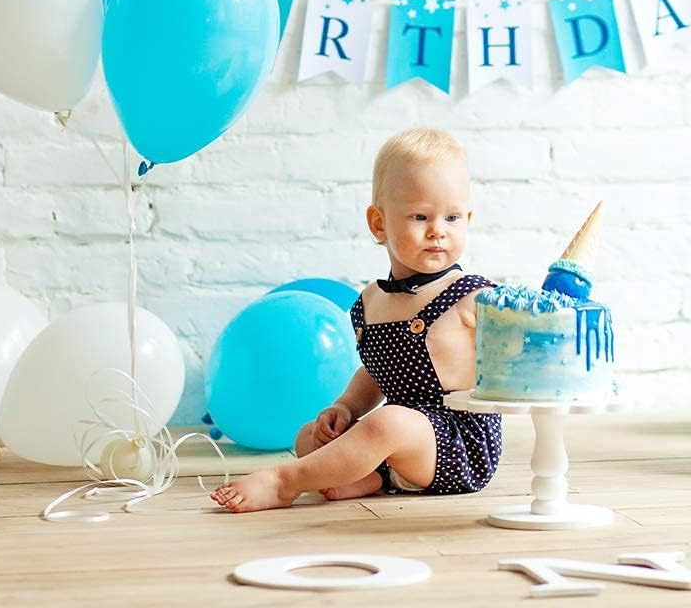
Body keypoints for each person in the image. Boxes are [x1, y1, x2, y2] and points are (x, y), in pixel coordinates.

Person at [210, 127, 501, 512]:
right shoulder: (371, 301)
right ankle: (372, 477)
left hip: (455, 443)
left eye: (452, 217)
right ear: (379, 223)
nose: (438, 231)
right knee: (310, 436)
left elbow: (519, 346)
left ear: (468, 217)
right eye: (420, 216)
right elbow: (375, 371)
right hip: (397, 440)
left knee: (388, 424)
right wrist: (346, 407)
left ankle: (285, 481)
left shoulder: (471, 295)